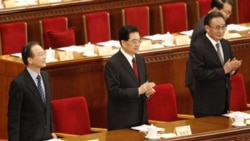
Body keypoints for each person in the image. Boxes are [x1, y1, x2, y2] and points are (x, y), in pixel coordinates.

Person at [187, 11, 242, 118]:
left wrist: (233, 68)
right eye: (217, 28)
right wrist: (224, 70)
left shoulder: (225, 43)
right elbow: (199, 74)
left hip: (224, 102)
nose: (221, 31)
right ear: (207, 28)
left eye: (223, 27)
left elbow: (229, 67)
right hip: (206, 105)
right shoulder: (198, 47)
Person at [104, 25, 156, 130]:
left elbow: (144, 84)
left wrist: (147, 92)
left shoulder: (140, 60)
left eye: (139, 41)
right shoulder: (113, 64)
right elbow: (114, 92)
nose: (137, 45)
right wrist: (138, 91)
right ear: (123, 43)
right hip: (122, 122)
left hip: (141, 120)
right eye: (134, 41)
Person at [8, 41, 57, 141]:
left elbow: (48, 108)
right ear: (30, 59)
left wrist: (51, 130)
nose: (44, 57)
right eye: (40, 54)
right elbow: (14, 118)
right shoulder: (19, 84)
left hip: (46, 136)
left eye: (44, 53)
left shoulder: (45, 76)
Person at [186, 0, 233, 91]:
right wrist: (223, 70)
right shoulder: (203, 29)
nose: (228, 16)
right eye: (226, 12)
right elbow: (203, 61)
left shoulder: (207, 22)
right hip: (203, 86)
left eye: (230, 13)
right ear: (215, 9)